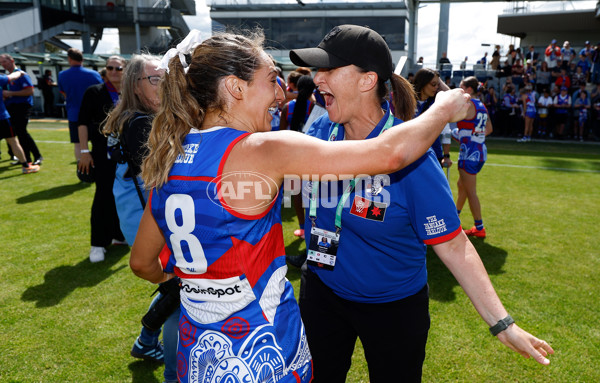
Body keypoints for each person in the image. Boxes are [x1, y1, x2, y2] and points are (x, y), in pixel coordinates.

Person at [129, 28, 472, 383]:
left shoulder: (170, 156)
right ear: (236, 87)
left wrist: (189, 281)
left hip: (199, 353)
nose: (280, 95)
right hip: (263, 348)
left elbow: (141, 262)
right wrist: (442, 109)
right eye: (271, 80)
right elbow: (390, 153)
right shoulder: (261, 150)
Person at [290, 25, 553, 383]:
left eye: (329, 70)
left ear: (368, 80)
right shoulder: (319, 135)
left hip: (391, 307)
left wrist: (502, 324)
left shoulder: (415, 162)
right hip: (322, 291)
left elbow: (454, 244)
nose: (318, 79)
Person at [102, 53, 179, 383]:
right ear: (135, 84)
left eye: (163, 78)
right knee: (178, 295)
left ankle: (146, 341)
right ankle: (175, 373)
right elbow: (160, 178)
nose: (162, 84)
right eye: (154, 79)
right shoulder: (140, 122)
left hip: (142, 218)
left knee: (173, 290)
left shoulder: (130, 118)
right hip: (153, 222)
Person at [77, 55, 127, 263]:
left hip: (125, 154)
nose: (114, 71)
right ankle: (97, 243)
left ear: (125, 70)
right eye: (110, 67)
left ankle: (118, 234)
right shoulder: (94, 92)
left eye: (118, 68)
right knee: (103, 196)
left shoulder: (131, 93)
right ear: (105, 70)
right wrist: (83, 152)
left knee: (124, 194)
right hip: (101, 153)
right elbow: (81, 123)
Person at [58, 48, 104, 161]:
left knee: (78, 144)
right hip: (95, 116)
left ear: (69, 59)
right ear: (82, 59)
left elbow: (64, 94)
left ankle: (83, 170)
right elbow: (102, 92)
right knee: (98, 143)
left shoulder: (62, 75)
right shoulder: (94, 74)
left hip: (74, 115)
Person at [0, 54, 44, 166]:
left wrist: (11, 93)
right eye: (1, 62)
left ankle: (37, 156)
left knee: (21, 132)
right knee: (15, 134)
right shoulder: (7, 76)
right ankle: (25, 159)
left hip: (22, 106)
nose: (2, 64)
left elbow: (29, 91)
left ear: (12, 60)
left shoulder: (21, 75)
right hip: (10, 107)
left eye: (4, 61)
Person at [413, 68, 452, 167]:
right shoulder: (407, 101)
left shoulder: (438, 103)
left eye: (438, 85)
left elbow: (446, 131)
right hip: (410, 155)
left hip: (434, 155)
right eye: (433, 84)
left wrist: (446, 156)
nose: (436, 88)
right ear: (422, 83)